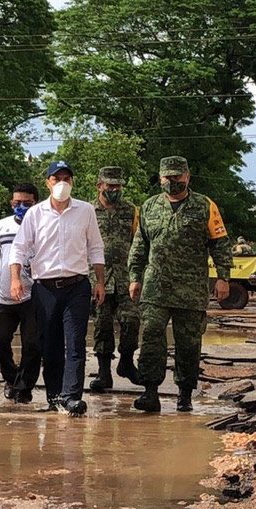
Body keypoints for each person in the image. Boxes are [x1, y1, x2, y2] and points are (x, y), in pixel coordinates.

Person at [129, 156, 232, 413]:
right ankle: (150, 392)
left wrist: (223, 277)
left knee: (188, 343)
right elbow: (140, 244)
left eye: (177, 177)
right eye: (167, 177)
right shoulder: (149, 207)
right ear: (161, 177)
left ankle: (184, 395)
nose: (172, 181)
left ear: (187, 176)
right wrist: (134, 276)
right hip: (155, 287)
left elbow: (220, 243)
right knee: (152, 337)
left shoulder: (204, 206)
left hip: (191, 289)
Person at [10, 161, 106, 416]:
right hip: (45, 289)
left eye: (66, 178)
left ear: (72, 182)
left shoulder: (85, 211)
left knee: (75, 343)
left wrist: (99, 281)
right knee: (50, 345)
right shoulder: (35, 213)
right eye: (56, 178)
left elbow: (95, 247)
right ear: (48, 183)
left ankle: (72, 396)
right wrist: (15, 279)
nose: (61, 183)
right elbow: (19, 248)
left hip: (77, 286)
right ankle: (54, 395)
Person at [0, 183, 42, 404]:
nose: (20, 207)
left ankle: (24, 388)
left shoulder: (44, 225)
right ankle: (12, 379)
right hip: (3, 294)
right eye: (16, 203)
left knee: (33, 344)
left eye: (26, 204)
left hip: (33, 294)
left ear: (35, 204)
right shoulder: (1, 226)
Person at [89, 166, 140, 392]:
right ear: (99, 185)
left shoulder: (131, 211)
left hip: (126, 276)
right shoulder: (88, 211)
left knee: (131, 320)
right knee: (102, 325)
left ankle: (126, 361)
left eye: (118, 185)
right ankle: (103, 372)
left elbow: (139, 242)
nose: (114, 189)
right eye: (110, 185)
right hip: (98, 278)